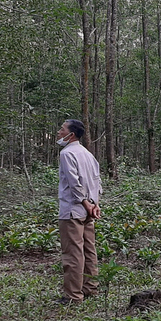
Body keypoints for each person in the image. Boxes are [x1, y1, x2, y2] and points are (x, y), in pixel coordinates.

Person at [56, 119, 102, 304]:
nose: (59, 132)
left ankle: (74, 296)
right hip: (88, 210)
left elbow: (74, 183)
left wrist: (84, 203)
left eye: (62, 129)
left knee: (73, 253)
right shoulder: (88, 154)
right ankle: (90, 288)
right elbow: (97, 181)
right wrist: (94, 204)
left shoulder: (66, 154)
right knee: (89, 249)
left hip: (73, 210)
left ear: (71, 134)